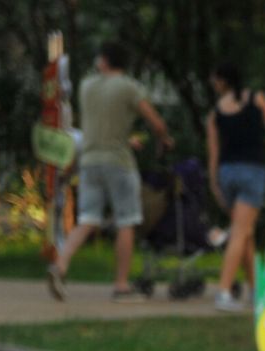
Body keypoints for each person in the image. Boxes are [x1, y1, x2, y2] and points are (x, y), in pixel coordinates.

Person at [48, 42, 174, 302]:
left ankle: (60, 265)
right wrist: (163, 138)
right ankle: (121, 286)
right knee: (126, 220)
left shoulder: (86, 86)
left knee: (88, 219)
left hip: (89, 161)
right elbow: (155, 120)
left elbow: (99, 125)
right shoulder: (128, 87)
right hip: (118, 162)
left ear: (104, 60)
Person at [204, 62, 265, 312]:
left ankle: (256, 290)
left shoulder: (215, 113)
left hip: (227, 173)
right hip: (253, 171)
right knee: (240, 232)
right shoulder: (257, 99)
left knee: (247, 233)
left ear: (222, 81)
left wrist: (214, 182)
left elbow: (213, 152)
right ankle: (223, 291)